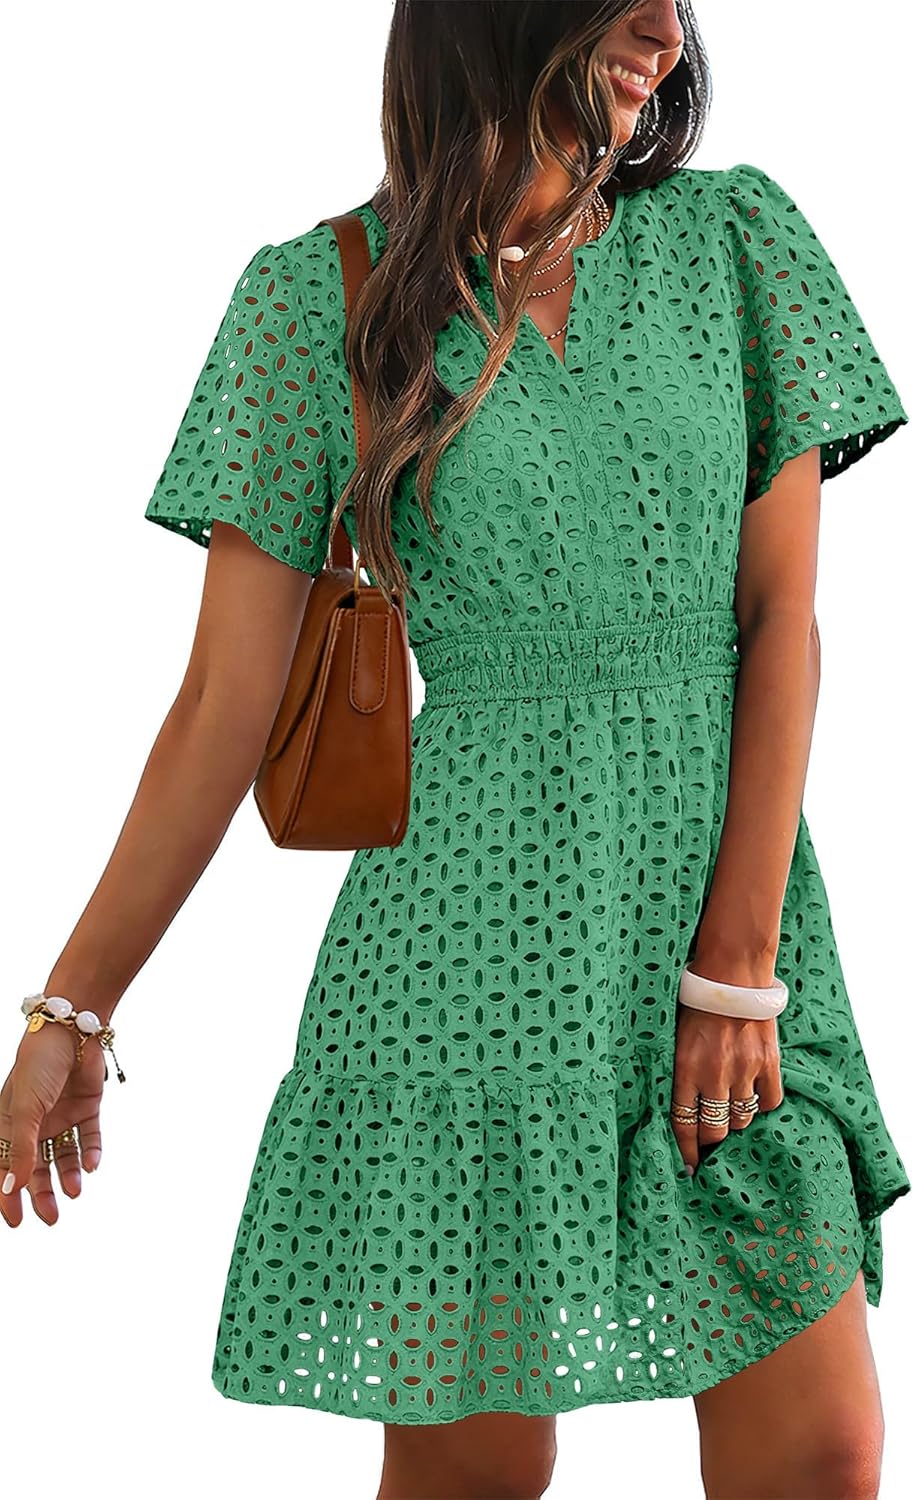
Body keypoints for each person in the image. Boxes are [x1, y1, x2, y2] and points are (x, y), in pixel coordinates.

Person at [2, 2, 910, 1496]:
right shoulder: (317, 298)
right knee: (473, 1483)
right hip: (465, 970)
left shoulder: (735, 243)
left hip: (723, 935)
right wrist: (72, 1009)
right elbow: (223, 703)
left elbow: (781, 622)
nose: (663, 30)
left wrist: (738, 966)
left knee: (819, 1455)